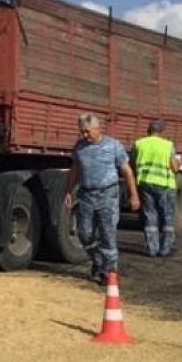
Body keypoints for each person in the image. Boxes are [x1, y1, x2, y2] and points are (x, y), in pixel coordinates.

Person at [65, 113, 140, 284]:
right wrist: (69, 191)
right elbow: (75, 170)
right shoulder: (79, 147)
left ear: (98, 129)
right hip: (86, 195)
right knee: (85, 233)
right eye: (82, 132)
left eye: (87, 132)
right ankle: (98, 262)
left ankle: (110, 272)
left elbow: (127, 171)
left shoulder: (113, 146)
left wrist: (134, 195)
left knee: (108, 234)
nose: (85, 135)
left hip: (108, 194)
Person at [133, 120, 182, 257]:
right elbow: (174, 168)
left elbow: (133, 164)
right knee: (167, 217)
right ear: (162, 131)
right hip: (164, 185)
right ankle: (165, 249)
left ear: (148, 130)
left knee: (150, 216)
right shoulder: (167, 145)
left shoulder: (139, 144)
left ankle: (152, 249)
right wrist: (179, 162)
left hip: (145, 183)